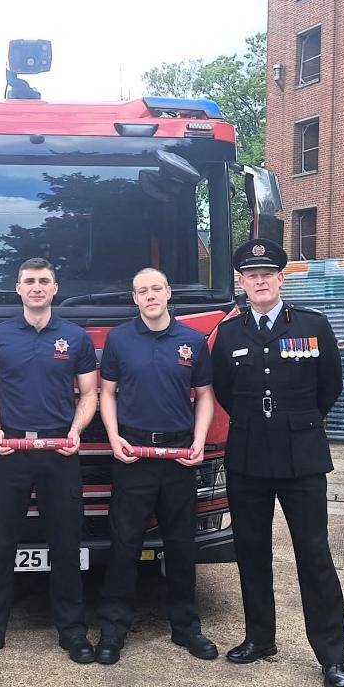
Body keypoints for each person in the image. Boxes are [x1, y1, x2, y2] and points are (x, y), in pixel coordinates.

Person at [211, 240, 344, 687]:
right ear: (242, 282)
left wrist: (298, 422)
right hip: (248, 456)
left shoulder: (313, 325)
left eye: (267, 274)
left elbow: (330, 385)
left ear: (281, 279)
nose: (259, 281)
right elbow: (224, 391)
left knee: (314, 555)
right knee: (252, 552)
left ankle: (332, 657)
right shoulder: (228, 333)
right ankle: (260, 638)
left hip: (302, 458)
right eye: (251, 276)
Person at [0, 258, 99, 665]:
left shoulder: (76, 338)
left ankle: (73, 632)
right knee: (0, 544)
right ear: (18, 288)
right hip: (11, 455)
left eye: (44, 281)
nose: (37, 287)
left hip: (60, 453)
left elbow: (90, 394)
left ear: (55, 288)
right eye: (29, 281)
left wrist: (76, 432)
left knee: (65, 543)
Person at [95, 268, 219, 664]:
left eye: (156, 289)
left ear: (168, 293)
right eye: (142, 291)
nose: (150, 296)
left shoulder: (192, 341)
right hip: (133, 455)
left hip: (179, 456)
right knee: (124, 544)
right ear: (135, 299)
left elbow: (204, 396)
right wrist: (114, 438)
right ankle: (113, 630)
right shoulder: (119, 339)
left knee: (181, 545)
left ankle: (186, 629)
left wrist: (199, 440)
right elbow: (107, 393)